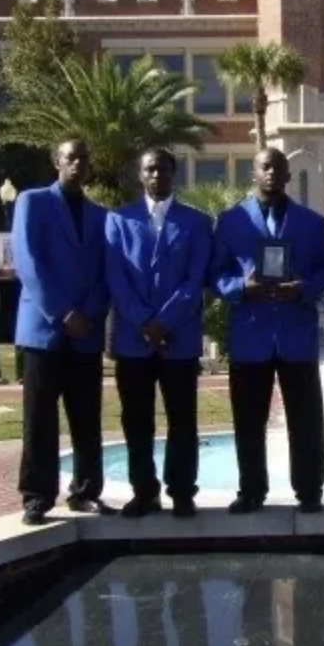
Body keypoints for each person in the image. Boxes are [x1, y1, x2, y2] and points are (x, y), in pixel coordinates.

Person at [212, 148, 324, 514]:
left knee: (306, 419)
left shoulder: (311, 223)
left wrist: (304, 288)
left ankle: (310, 491)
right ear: (254, 172)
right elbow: (216, 273)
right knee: (249, 420)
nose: (272, 174)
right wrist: (239, 288)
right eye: (265, 167)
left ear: (287, 175)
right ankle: (251, 490)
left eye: (279, 169)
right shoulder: (230, 221)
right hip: (251, 333)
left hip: (296, 333)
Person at [104, 148, 212, 519]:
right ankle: (144, 491)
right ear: (140, 175)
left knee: (182, 419)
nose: (157, 176)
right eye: (150, 169)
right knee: (136, 420)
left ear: (173, 174)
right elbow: (116, 279)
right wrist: (143, 321)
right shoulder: (118, 220)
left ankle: (182, 491)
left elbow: (194, 280)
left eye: (164, 169)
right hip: (133, 342)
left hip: (178, 339)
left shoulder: (197, 223)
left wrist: (163, 322)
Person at [12, 138, 110, 525]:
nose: (78, 164)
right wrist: (64, 312)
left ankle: (85, 492)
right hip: (44, 330)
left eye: (84, 158)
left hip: (86, 330)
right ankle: (37, 496)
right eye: (71, 157)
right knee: (39, 417)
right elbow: (28, 263)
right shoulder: (32, 202)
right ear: (57, 161)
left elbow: (106, 272)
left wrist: (89, 312)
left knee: (86, 416)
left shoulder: (101, 216)